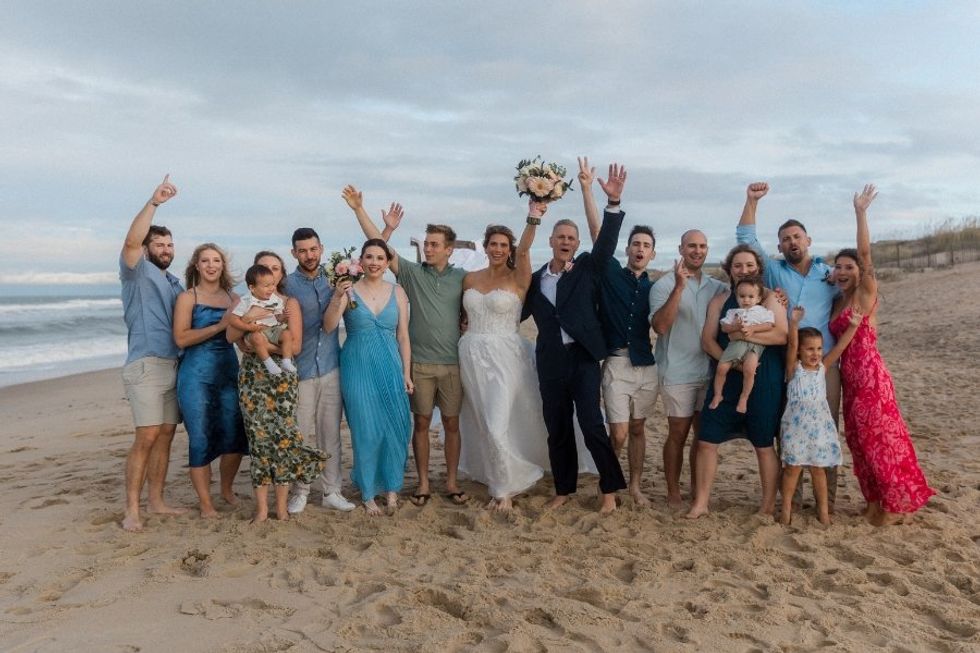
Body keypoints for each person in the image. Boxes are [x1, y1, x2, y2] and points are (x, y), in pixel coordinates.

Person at [344, 186, 469, 506]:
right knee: (421, 424)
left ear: (449, 250)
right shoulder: (412, 274)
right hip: (421, 364)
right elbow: (379, 248)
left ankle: (452, 481)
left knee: (453, 424)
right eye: (426, 243)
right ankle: (424, 483)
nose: (427, 248)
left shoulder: (462, 277)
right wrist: (361, 210)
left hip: (453, 362)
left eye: (434, 245)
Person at [522, 169, 628, 514]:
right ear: (551, 240)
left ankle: (609, 490)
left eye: (572, 238)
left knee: (592, 425)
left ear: (578, 245)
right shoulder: (535, 279)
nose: (566, 242)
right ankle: (563, 489)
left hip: (583, 359)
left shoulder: (586, 268)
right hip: (550, 362)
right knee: (558, 429)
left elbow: (608, 242)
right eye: (561, 237)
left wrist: (612, 201)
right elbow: (514, 310)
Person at [829, 184, 935, 526]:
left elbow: (866, 253)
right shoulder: (837, 300)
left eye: (849, 267)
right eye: (838, 268)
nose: (843, 272)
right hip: (850, 381)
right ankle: (873, 502)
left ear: (859, 271)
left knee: (880, 442)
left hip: (872, 378)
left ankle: (889, 506)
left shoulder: (864, 294)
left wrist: (860, 213)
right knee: (859, 443)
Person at [736, 182, 842, 507]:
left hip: (824, 364)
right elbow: (745, 240)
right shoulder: (773, 273)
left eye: (797, 236)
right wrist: (751, 201)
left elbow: (860, 286)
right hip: (785, 362)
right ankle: (790, 499)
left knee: (828, 427)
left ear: (808, 241)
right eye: (785, 239)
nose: (791, 242)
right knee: (787, 427)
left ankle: (829, 500)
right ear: (779, 248)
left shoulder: (830, 274)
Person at [579, 159, 658, 506]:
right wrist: (593, 193)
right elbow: (600, 235)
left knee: (639, 429)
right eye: (635, 244)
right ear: (627, 250)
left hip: (647, 364)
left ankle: (636, 485)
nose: (640, 249)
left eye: (646, 246)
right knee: (620, 433)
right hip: (616, 363)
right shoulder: (611, 272)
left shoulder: (657, 287)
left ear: (653, 253)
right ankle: (608, 485)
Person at [687, 244, 788, 519]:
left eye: (750, 265)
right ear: (729, 270)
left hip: (764, 378)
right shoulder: (720, 301)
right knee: (707, 439)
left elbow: (781, 335)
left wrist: (742, 337)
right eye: (738, 265)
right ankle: (701, 503)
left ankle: (766, 506)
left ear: (758, 269)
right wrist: (730, 363)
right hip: (726, 377)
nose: (744, 270)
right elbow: (708, 340)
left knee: (764, 444)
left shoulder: (770, 298)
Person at [231, 251, 327, 522]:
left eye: (275, 269)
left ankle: (282, 507)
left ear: (281, 274)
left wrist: (256, 343)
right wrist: (250, 317)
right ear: (255, 277)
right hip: (252, 379)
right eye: (264, 268)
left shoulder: (288, 304)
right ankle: (262, 509)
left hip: (283, 378)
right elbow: (230, 334)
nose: (270, 273)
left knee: (283, 440)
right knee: (259, 441)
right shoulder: (245, 301)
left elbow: (294, 346)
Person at [323, 238, 413, 516]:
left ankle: (392, 487)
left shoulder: (397, 291)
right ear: (360, 261)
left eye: (380, 258)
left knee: (396, 428)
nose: (374, 262)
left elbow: (403, 336)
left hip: (390, 364)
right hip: (357, 365)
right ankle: (368, 491)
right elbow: (328, 327)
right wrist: (339, 296)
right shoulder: (348, 290)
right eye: (369, 257)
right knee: (366, 430)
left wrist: (406, 374)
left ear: (387, 263)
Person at [119, 174, 185, 532]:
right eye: (158, 244)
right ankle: (132, 509)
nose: (165, 249)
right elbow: (130, 240)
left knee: (165, 434)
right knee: (145, 436)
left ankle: (156, 501)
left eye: (169, 245)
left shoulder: (174, 282)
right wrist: (154, 202)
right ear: (146, 249)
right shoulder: (136, 271)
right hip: (145, 365)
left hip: (173, 365)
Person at [276, 232, 355, 514]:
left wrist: (386, 231)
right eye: (303, 251)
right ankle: (301, 491)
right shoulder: (286, 285)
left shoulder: (336, 277)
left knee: (330, 433)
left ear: (321, 248)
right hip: (300, 371)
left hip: (331, 366)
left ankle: (332, 491)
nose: (309, 255)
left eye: (313, 249)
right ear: (294, 253)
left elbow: (369, 261)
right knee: (300, 434)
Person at [649, 231, 728, 509]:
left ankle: (697, 491)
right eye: (691, 245)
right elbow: (659, 326)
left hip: (708, 371)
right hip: (677, 372)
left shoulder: (717, 287)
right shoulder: (663, 285)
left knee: (702, 434)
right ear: (681, 248)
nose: (697, 250)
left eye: (702, 246)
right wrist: (679, 288)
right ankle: (672, 491)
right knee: (677, 434)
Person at [173, 243, 248, 519]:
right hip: (196, 374)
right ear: (196, 265)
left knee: (234, 434)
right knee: (201, 437)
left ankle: (226, 490)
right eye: (205, 261)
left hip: (228, 371)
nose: (211, 265)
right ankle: (206, 504)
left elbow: (242, 336)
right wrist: (218, 325)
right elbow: (181, 338)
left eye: (216, 260)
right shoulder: (187, 298)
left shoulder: (234, 298)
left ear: (223, 266)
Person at [779, 306, 861, 526]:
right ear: (799, 352)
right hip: (796, 429)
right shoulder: (793, 369)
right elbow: (792, 344)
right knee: (792, 471)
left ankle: (823, 511)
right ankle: (786, 508)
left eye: (818, 348)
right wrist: (794, 323)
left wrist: (853, 326)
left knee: (818, 470)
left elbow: (841, 346)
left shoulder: (823, 368)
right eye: (809, 349)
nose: (815, 354)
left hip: (819, 430)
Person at [708, 276, 775, 414]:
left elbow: (769, 324)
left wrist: (753, 329)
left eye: (751, 296)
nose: (746, 300)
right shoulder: (732, 312)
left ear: (758, 298)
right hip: (736, 344)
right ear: (736, 297)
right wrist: (734, 326)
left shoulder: (762, 311)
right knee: (721, 368)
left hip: (754, 345)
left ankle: (744, 398)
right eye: (742, 296)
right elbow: (724, 328)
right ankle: (718, 394)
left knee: (750, 370)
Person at [229, 264, 296, 376]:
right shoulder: (246, 300)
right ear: (252, 288)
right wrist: (248, 327)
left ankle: (286, 361)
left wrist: (283, 317)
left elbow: (278, 319)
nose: (271, 288)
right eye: (266, 286)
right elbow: (233, 319)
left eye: (273, 284)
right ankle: (269, 363)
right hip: (255, 331)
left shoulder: (275, 299)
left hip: (272, 329)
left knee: (287, 334)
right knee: (257, 338)